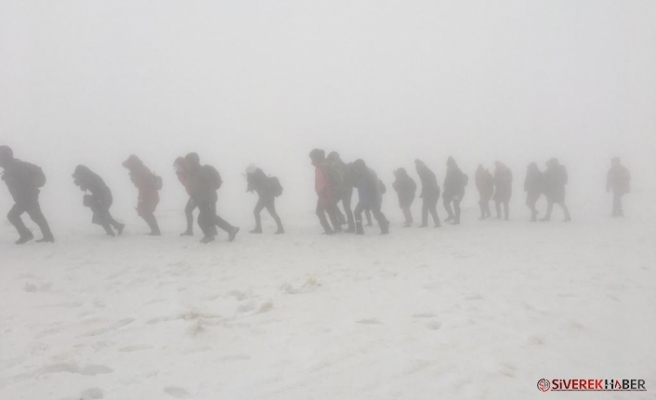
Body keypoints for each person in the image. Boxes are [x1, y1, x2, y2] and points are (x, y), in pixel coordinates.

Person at [0, 146, 54, 244]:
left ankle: (27, 235)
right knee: (37, 216)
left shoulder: (16, 167)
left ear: (5, 157)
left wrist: (25, 196)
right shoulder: (12, 167)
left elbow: (25, 182)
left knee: (12, 215)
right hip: (27, 197)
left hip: (26, 197)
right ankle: (47, 236)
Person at [185, 152, 239, 243]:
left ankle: (229, 229)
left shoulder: (202, 171)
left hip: (208, 198)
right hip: (202, 199)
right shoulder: (194, 172)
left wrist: (203, 195)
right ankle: (212, 234)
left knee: (207, 218)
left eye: (188, 162)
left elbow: (205, 186)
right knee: (206, 219)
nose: (187, 165)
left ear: (193, 162)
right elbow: (195, 188)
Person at [72, 165, 125, 236]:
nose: (79, 176)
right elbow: (81, 185)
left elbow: (101, 188)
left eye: (79, 174)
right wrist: (81, 183)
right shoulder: (86, 178)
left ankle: (110, 232)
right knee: (102, 214)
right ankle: (117, 226)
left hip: (103, 196)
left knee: (101, 214)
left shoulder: (92, 178)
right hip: (98, 196)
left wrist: (100, 199)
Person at [122, 155, 161, 235]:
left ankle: (156, 231)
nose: (128, 167)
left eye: (129, 164)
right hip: (148, 193)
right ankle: (155, 230)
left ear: (132, 163)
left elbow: (143, 185)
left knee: (145, 211)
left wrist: (141, 197)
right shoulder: (137, 169)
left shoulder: (140, 170)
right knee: (144, 211)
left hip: (148, 193)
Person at [352, 159, 389, 234]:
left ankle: (384, 228)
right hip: (365, 198)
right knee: (359, 212)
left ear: (360, 166)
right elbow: (359, 185)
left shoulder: (367, 174)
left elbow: (372, 187)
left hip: (371, 198)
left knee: (376, 214)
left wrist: (372, 198)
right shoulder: (363, 172)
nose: (355, 169)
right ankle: (384, 227)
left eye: (356, 167)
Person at [310, 149, 342, 235]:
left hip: (324, 193)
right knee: (329, 209)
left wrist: (318, 191)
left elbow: (321, 183)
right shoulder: (326, 164)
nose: (311, 160)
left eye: (312, 158)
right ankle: (337, 226)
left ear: (315, 157)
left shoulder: (319, 167)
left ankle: (328, 229)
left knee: (319, 211)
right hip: (331, 192)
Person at [246, 164, 284, 234]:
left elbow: (259, 186)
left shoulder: (257, 177)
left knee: (257, 211)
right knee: (272, 213)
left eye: (248, 173)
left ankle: (259, 229)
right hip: (268, 197)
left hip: (265, 197)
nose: (247, 174)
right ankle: (280, 228)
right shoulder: (260, 176)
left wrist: (251, 186)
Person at [327, 152, 355, 232]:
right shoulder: (341, 166)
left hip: (343, 190)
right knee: (346, 208)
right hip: (346, 190)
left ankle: (346, 224)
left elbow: (339, 180)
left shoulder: (338, 166)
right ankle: (348, 224)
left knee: (337, 206)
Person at [415, 159, 441, 227]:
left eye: (417, 168)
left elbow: (428, 183)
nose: (416, 171)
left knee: (430, 208)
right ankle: (426, 223)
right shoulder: (425, 171)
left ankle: (436, 223)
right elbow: (426, 184)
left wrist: (426, 192)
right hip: (431, 191)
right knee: (426, 208)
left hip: (431, 191)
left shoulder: (425, 172)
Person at [443, 157, 467, 225]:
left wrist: (456, 194)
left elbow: (459, 184)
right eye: (448, 166)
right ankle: (451, 215)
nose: (448, 167)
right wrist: (444, 186)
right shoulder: (449, 171)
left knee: (456, 205)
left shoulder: (457, 171)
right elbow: (447, 180)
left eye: (449, 165)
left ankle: (457, 220)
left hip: (458, 192)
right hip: (450, 191)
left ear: (452, 164)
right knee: (445, 202)